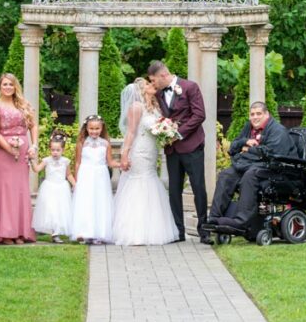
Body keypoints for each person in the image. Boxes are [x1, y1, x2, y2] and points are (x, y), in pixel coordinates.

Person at [147, 60, 210, 243]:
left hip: (192, 145)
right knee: (174, 189)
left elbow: (199, 115)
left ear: (163, 76)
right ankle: (178, 231)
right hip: (171, 149)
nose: (153, 84)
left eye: (153, 80)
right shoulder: (159, 93)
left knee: (198, 187)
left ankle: (203, 231)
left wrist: (178, 134)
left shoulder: (190, 87)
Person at [111, 78, 180, 246]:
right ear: (141, 90)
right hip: (139, 151)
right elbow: (131, 132)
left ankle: (153, 228)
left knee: (151, 182)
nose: (152, 86)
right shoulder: (136, 107)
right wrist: (124, 155)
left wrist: (167, 131)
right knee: (140, 184)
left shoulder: (155, 107)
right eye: (148, 85)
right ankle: (134, 231)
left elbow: (158, 127)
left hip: (151, 151)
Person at [208, 102, 294, 229]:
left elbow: (270, 154)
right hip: (250, 164)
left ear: (267, 114)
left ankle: (241, 221)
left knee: (250, 175)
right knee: (226, 174)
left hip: (274, 169)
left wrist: (247, 149)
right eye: (252, 114)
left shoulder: (278, 130)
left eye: (259, 113)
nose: (255, 117)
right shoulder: (249, 127)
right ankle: (214, 217)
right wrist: (245, 141)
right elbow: (233, 146)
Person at [0, 73, 38, 244]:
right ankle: (6, 232)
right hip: (2, 153)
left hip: (21, 151)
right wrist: (9, 149)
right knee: (5, 191)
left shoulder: (23, 104)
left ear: (16, 87)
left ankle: (20, 231)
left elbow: (33, 125)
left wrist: (34, 145)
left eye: (11, 84)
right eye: (5, 84)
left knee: (20, 190)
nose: (8, 87)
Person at [70, 115, 117, 244]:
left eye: (97, 128)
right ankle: (83, 232)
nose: (94, 131)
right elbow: (78, 162)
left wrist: (122, 164)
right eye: (91, 128)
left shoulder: (106, 144)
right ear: (86, 128)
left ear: (102, 128)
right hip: (86, 175)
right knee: (85, 201)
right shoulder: (82, 143)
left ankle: (99, 233)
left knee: (100, 201)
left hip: (100, 176)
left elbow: (110, 162)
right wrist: (76, 180)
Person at [32, 136, 75, 243]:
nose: (55, 152)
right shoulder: (46, 161)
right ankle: (53, 232)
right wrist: (31, 160)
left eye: (58, 150)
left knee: (60, 210)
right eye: (53, 150)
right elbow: (37, 169)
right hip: (49, 188)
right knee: (51, 209)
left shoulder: (65, 161)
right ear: (50, 149)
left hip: (62, 188)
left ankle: (56, 233)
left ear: (63, 150)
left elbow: (68, 174)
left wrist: (75, 184)